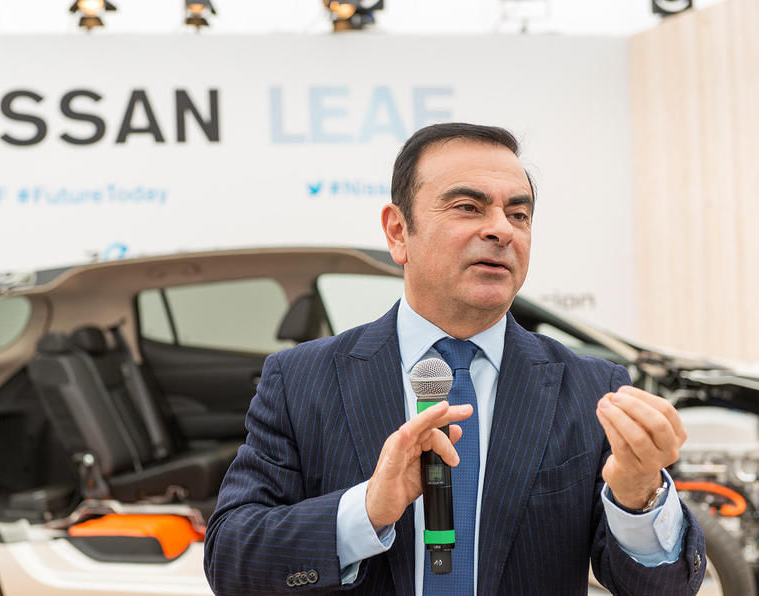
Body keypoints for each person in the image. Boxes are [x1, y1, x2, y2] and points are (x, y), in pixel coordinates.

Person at [203, 123, 706, 595]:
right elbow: (231, 559)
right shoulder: (301, 379)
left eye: (518, 214)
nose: (502, 230)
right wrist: (368, 510)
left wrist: (638, 497)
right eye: (468, 207)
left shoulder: (593, 389)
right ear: (398, 232)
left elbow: (665, 587)